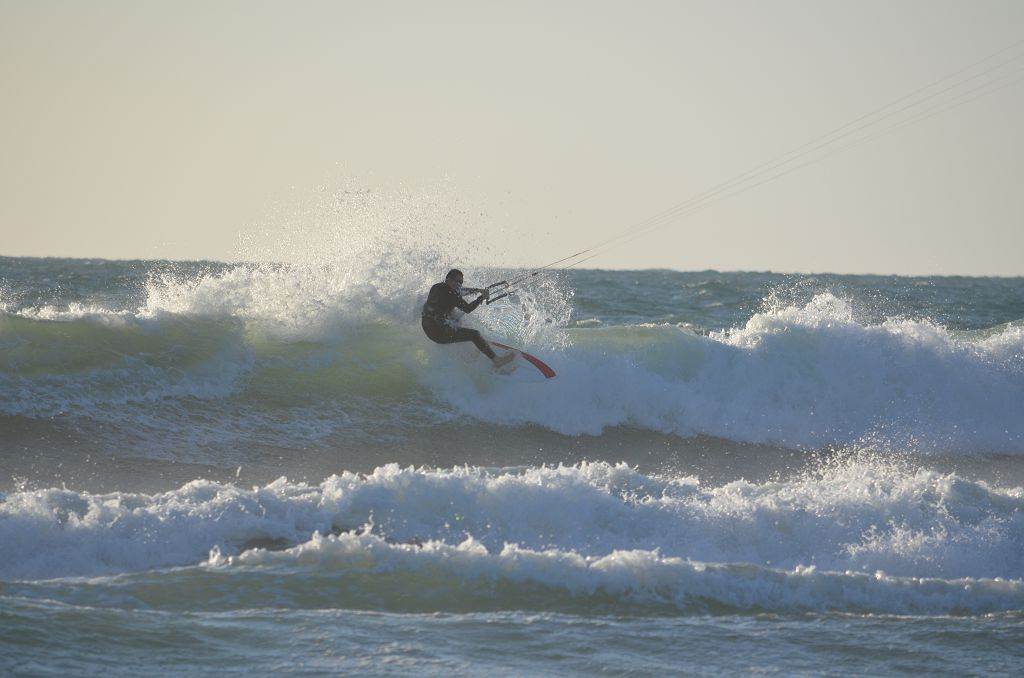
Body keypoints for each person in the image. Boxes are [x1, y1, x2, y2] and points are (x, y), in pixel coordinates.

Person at [421, 269, 515, 368]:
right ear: (448, 280)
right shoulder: (451, 294)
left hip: (428, 326)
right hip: (439, 332)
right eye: (457, 281)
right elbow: (467, 308)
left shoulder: (437, 287)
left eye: (461, 282)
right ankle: (497, 360)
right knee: (474, 334)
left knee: (456, 318)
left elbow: (460, 291)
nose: (459, 285)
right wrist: (481, 297)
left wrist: (477, 290)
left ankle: (476, 344)